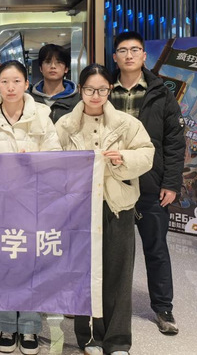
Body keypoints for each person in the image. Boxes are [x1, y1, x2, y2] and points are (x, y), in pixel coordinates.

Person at [55, 63, 155, 355]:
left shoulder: (126, 123)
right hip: (79, 208)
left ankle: (118, 340)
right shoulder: (65, 125)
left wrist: (122, 158)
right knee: (83, 273)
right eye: (89, 89)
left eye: (101, 89)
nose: (95, 95)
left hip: (117, 205)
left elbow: (147, 153)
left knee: (119, 274)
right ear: (80, 90)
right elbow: (52, 161)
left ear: (110, 89)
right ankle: (89, 338)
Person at [0, 60, 61, 355]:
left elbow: (55, 155)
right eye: (5, 81)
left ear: (26, 84)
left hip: (32, 202)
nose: (10, 87)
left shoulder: (42, 115)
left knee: (31, 265)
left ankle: (30, 327)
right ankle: (6, 325)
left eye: (17, 81)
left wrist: (33, 162)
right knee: (2, 264)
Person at [110, 31, 185, 336]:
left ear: (144, 56)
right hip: (112, 183)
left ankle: (163, 308)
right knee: (112, 249)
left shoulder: (161, 92)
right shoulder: (104, 90)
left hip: (151, 183)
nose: (128, 55)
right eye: (122, 50)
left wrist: (171, 182)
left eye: (135, 50)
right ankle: (109, 303)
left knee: (155, 248)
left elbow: (175, 141)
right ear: (115, 57)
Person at [30, 43, 80, 123]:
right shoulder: (30, 99)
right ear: (40, 68)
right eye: (48, 62)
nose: (53, 66)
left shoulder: (77, 101)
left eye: (58, 62)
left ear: (66, 69)